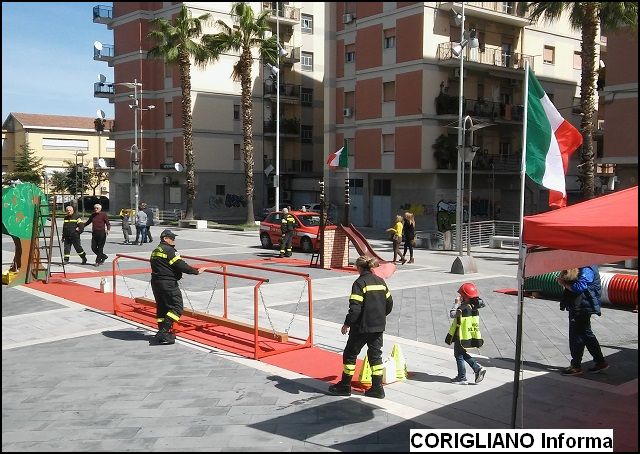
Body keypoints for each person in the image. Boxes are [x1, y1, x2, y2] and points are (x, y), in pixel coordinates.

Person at [329, 256, 394, 399]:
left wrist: (347, 323)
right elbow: (389, 304)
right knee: (375, 356)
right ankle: (377, 388)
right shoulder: (381, 281)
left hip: (362, 327)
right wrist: (379, 316)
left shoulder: (359, 283)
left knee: (350, 354)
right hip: (378, 327)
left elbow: (355, 309)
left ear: (359, 268)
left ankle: (345, 386)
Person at [150, 229, 206, 345]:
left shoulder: (156, 250)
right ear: (165, 239)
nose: (173, 240)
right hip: (168, 283)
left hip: (156, 282)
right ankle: (164, 332)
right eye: (171, 238)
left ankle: (162, 331)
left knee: (162, 308)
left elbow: (164, 266)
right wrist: (196, 271)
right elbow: (180, 265)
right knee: (177, 307)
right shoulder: (169, 250)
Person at [556, 265, 608, 375]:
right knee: (586, 334)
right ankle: (600, 362)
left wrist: (564, 283)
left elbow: (579, 287)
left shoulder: (587, 269)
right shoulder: (584, 266)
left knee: (577, 336)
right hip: (579, 306)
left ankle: (576, 366)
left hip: (583, 307)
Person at [445, 282, 486, 385]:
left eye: (461, 295)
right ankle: (476, 369)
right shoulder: (474, 307)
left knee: (458, 355)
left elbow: (452, 314)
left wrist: (456, 303)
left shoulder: (463, 308)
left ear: (465, 297)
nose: (460, 297)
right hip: (468, 335)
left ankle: (462, 377)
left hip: (461, 336)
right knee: (462, 354)